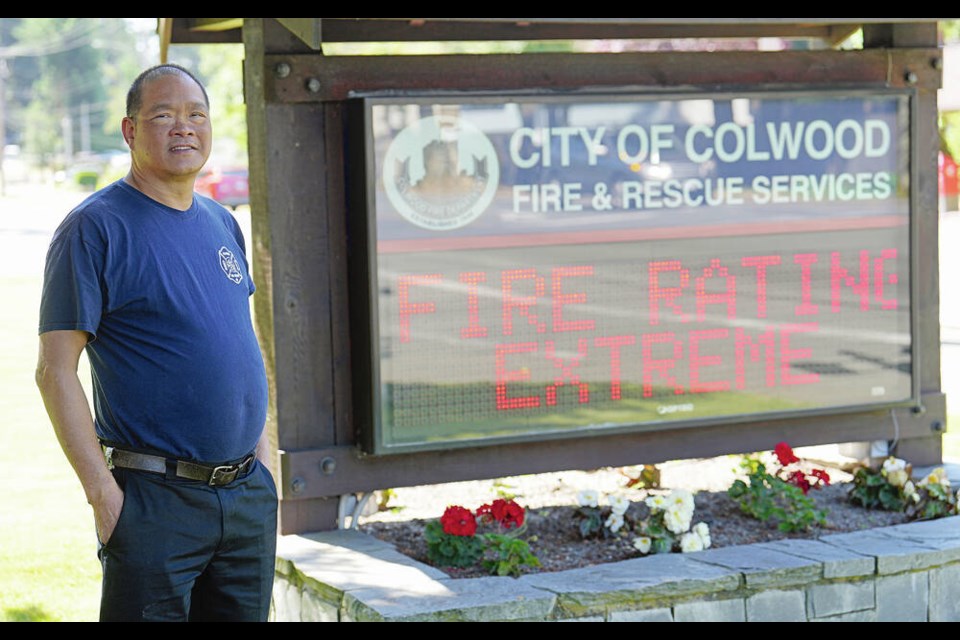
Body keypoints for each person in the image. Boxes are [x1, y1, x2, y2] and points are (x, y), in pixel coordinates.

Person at [35, 63, 277, 622]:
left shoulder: (222, 222)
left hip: (245, 498)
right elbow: (55, 371)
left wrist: (262, 464)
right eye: (163, 116)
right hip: (154, 503)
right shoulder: (94, 229)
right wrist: (104, 496)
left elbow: (239, 340)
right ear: (129, 131)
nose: (183, 128)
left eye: (196, 115)